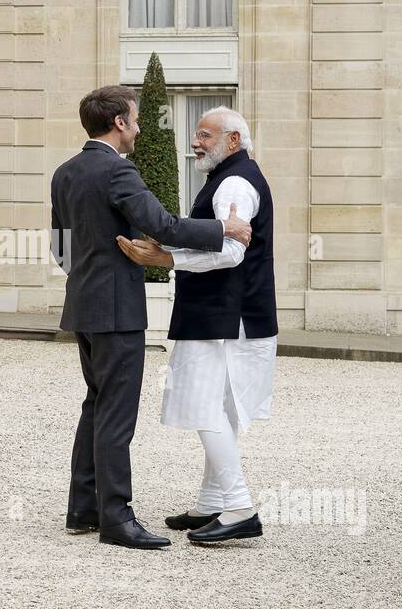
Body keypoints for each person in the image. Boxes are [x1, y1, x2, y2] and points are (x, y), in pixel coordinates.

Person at [50, 85, 251, 550]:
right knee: (116, 414)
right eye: (136, 120)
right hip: (117, 309)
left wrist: (85, 276)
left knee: (96, 406)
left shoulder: (65, 172)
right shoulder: (118, 172)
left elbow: (60, 246)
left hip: (81, 303)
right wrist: (225, 228)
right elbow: (162, 226)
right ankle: (116, 520)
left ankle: (82, 509)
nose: (140, 128)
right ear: (119, 123)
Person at [118, 108, 276, 545]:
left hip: (224, 316)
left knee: (205, 404)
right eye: (197, 134)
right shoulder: (231, 177)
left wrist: (166, 258)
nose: (195, 142)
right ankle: (212, 501)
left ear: (233, 140)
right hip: (230, 314)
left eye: (205, 135)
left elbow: (230, 252)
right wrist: (168, 243)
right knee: (219, 408)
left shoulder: (235, 183)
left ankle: (241, 507)